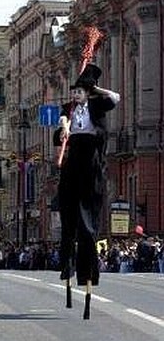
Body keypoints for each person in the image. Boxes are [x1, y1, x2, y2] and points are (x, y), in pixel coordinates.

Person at [55, 64, 120, 318]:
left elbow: (115, 98)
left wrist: (95, 88)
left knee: (86, 223)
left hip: (91, 159)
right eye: (75, 92)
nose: (76, 95)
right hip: (74, 158)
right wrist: (64, 126)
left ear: (88, 93)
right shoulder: (69, 111)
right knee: (69, 213)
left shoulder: (96, 104)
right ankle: (67, 264)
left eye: (80, 91)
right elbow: (62, 118)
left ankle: (88, 270)